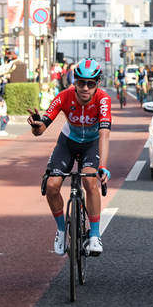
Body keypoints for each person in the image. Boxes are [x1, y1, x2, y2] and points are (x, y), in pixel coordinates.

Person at [26, 58, 112, 257]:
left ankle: (95, 235)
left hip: (92, 144)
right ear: (74, 81)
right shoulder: (63, 97)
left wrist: (104, 166)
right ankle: (61, 230)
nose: (85, 87)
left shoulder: (103, 99)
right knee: (52, 185)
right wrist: (36, 125)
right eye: (81, 82)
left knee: (90, 182)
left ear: (97, 84)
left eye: (90, 83)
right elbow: (40, 131)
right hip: (68, 143)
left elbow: (105, 136)